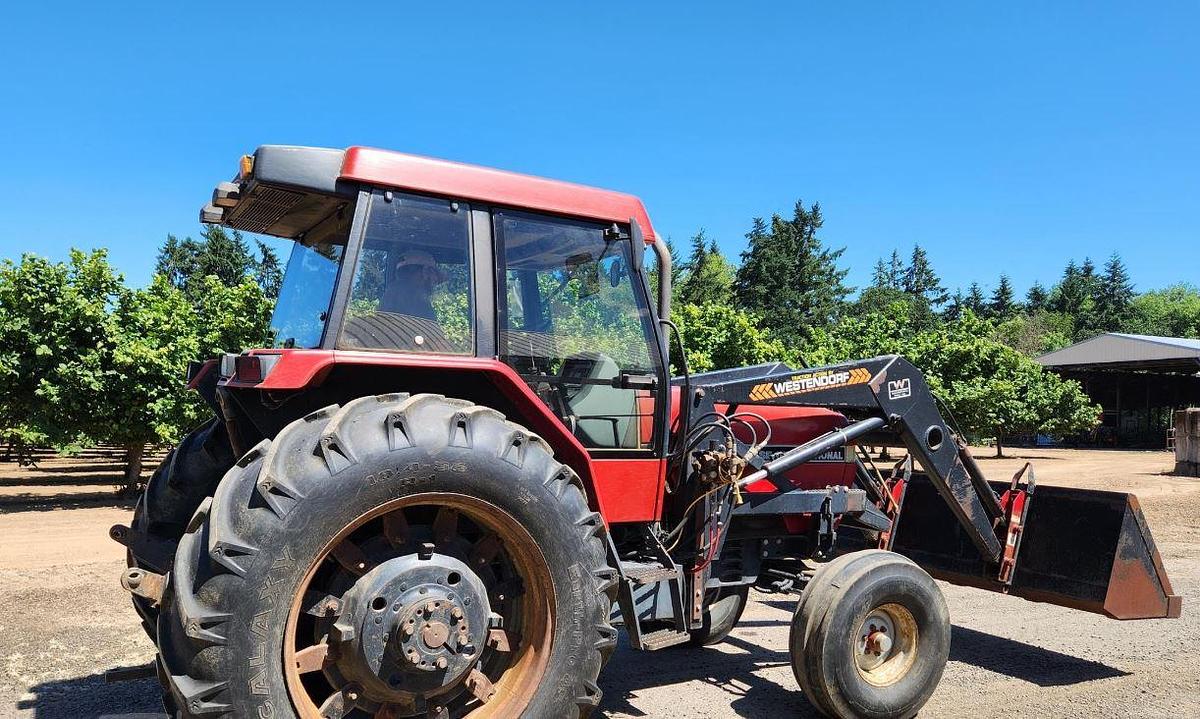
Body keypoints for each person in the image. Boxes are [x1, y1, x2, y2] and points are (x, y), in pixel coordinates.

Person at [380, 249, 446, 320]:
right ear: (425, 271)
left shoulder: (392, 293)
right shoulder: (415, 300)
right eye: (432, 272)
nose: (434, 279)